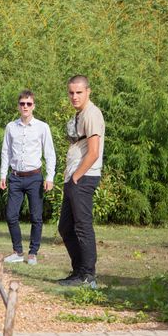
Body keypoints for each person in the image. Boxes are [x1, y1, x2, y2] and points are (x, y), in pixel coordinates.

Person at [58, 75, 105, 287]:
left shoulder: (92, 114)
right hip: (74, 177)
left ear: (88, 91)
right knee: (65, 227)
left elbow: (93, 152)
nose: (74, 96)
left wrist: (77, 176)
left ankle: (88, 275)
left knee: (82, 226)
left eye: (78, 92)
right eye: (71, 92)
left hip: (84, 177)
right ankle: (78, 271)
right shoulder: (81, 114)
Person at [0, 90, 56, 265]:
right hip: (15, 177)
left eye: (29, 104)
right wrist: (3, 174)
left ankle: (33, 252)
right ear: (18, 106)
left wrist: (50, 177)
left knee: (36, 217)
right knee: (11, 215)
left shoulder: (42, 127)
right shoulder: (11, 127)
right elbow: (5, 152)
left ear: (34, 106)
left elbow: (50, 154)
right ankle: (17, 251)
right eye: (22, 103)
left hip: (35, 177)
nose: (25, 107)